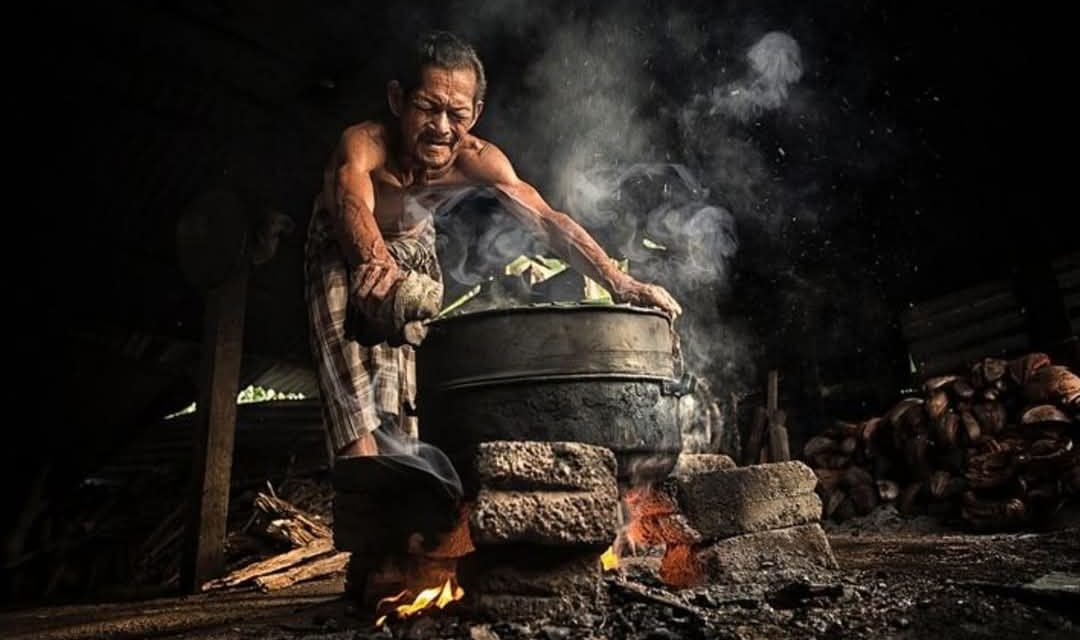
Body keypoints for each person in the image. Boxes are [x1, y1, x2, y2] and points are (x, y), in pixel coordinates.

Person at [305, 31, 681, 459]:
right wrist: (375, 264)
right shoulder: (364, 144)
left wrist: (620, 282)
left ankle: (401, 497)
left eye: (456, 113)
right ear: (397, 100)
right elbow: (351, 198)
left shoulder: (479, 159)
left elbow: (547, 221)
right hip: (347, 244)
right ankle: (361, 483)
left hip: (414, 247)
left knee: (403, 411)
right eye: (427, 108)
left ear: (476, 112)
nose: (442, 128)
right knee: (353, 411)